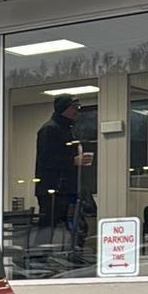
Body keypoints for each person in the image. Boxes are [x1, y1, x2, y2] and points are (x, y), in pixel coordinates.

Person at [34, 94, 94, 249]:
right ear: (64, 109)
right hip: (54, 191)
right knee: (48, 228)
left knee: (74, 228)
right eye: (74, 107)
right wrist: (73, 161)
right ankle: (37, 260)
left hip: (66, 189)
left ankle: (67, 256)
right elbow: (46, 160)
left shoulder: (66, 130)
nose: (77, 111)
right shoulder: (49, 129)